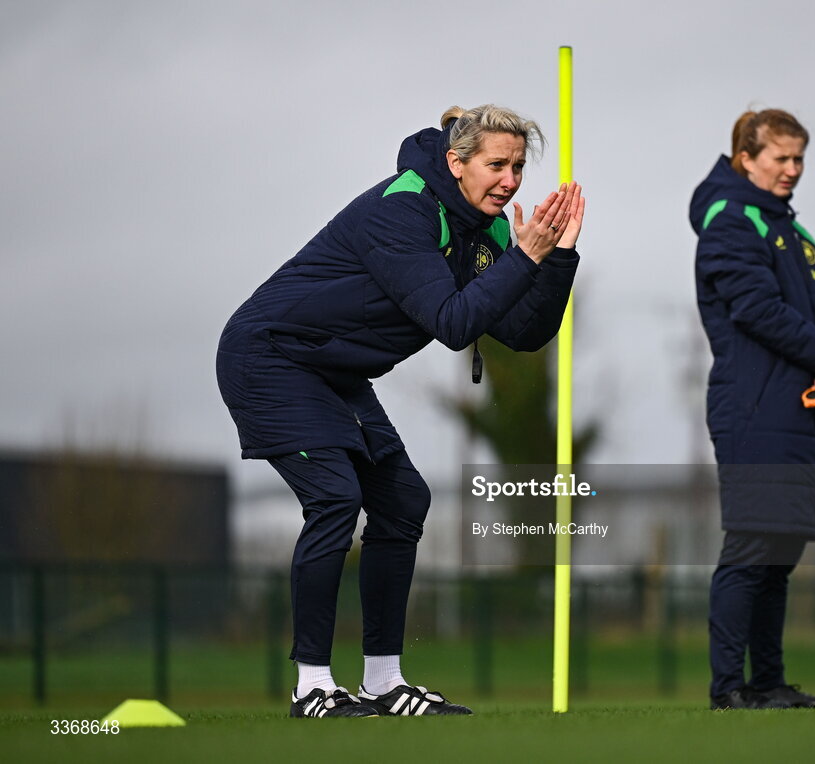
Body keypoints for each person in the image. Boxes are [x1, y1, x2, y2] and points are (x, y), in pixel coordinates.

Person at [216, 105, 584, 718]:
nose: (511, 180)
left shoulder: (487, 229)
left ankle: (384, 684)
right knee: (335, 497)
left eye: (519, 166)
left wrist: (557, 256)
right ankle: (312, 688)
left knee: (403, 500)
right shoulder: (402, 208)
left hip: (333, 372)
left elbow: (523, 332)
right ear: (456, 162)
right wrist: (526, 256)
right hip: (270, 358)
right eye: (497, 164)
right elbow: (452, 322)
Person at [689, 108, 815, 710]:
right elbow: (756, 309)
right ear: (745, 160)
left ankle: (769, 684)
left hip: (799, 409)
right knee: (753, 546)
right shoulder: (731, 222)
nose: (792, 170)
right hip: (753, 408)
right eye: (780, 158)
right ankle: (729, 688)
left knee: (782, 551)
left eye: (798, 158)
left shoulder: (794, 232)